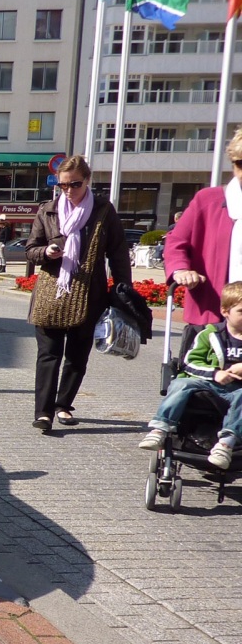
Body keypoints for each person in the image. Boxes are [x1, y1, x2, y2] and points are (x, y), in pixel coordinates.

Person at [24, 154, 132, 432]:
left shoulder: (103, 211)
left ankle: (63, 405)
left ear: (87, 181)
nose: (69, 191)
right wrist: (46, 252)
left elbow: (118, 253)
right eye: (63, 186)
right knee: (48, 354)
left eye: (75, 184)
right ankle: (44, 412)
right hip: (51, 292)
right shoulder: (47, 210)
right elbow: (31, 249)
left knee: (77, 356)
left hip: (89, 293)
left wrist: (122, 289)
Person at [138, 281, 242, 469]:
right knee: (181, 383)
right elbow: (190, 362)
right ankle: (160, 428)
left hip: (238, 390)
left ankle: (226, 444)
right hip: (207, 384)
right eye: (241, 311)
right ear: (226, 311)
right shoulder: (210, 335)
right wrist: (215, 373)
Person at [163, 131, 242, 359]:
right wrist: (181, 270)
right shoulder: (208, 200)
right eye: (239, 163)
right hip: (211, 311)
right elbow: (177, 241)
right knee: (201, 384)